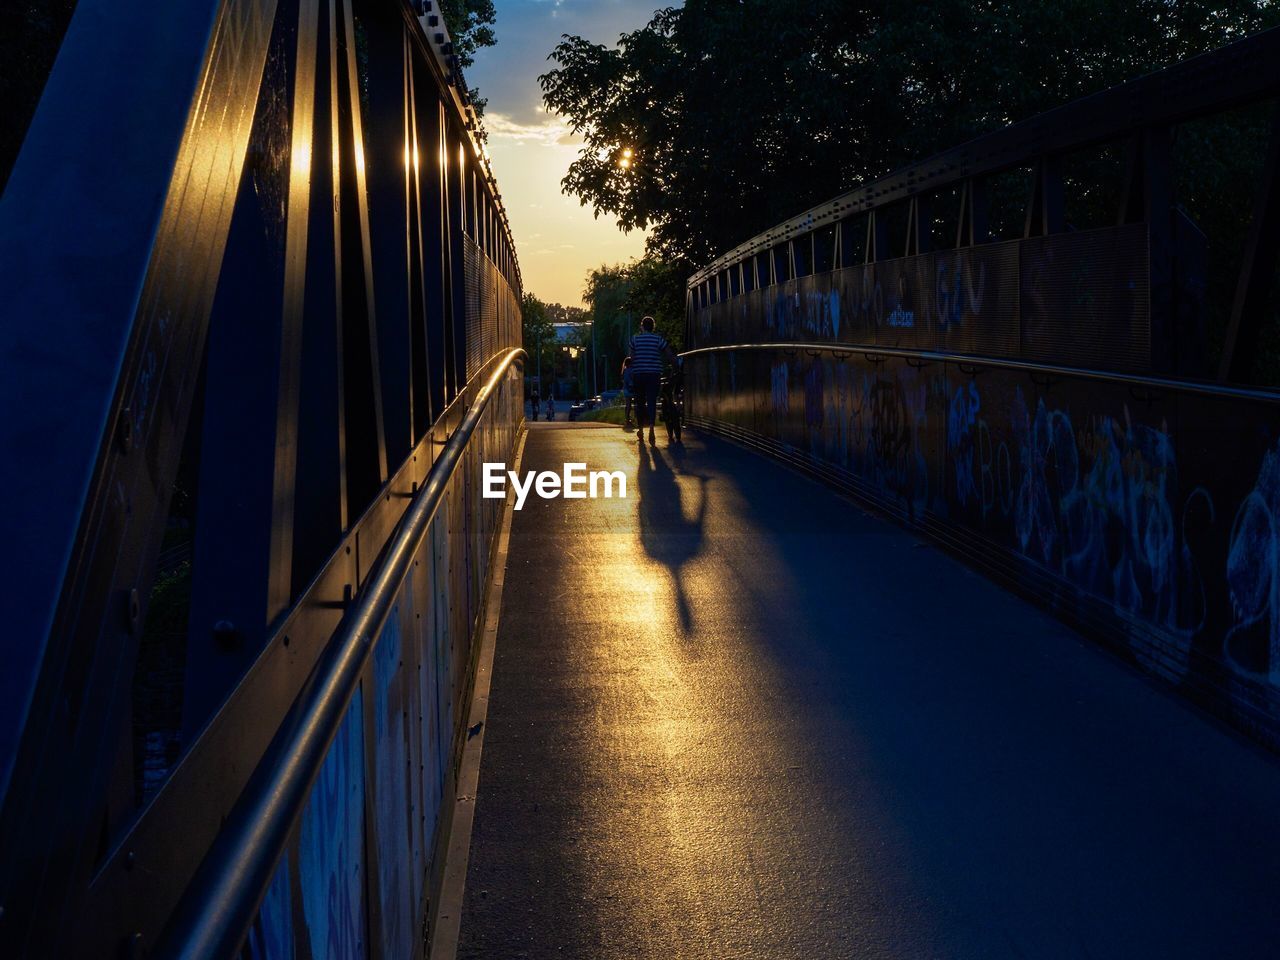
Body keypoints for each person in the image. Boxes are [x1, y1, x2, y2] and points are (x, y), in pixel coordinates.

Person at [629, 315, 677, 444]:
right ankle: (651, 427)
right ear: (653, 327)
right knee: (651, 401)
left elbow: (632, 358)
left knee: (640, 402)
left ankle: (640, 429)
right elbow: (669, 354)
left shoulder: (635, 340)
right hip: (654, 375)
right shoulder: (658, 340)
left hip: (639, 375)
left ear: (642, 326)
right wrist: (675, 365)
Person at [621, 356, 635, 429]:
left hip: (626, 389)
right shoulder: (631, 370)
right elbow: (630, 380)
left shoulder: (625, 371)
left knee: (628, 404)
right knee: (631, 404)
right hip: (631, 388)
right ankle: (628, 419)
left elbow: (625, 380)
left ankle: (627, 418)